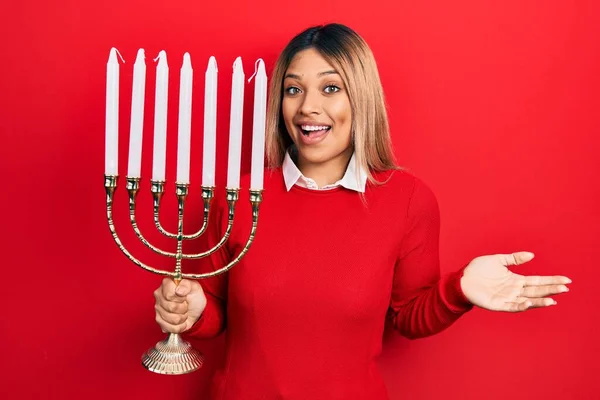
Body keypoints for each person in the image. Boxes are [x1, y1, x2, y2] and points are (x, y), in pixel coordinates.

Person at [153, 23, 572, 399]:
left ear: (361, 97)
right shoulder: (239, 195)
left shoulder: (407, 199)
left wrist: (459, 290)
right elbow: (213, 309)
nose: (307, 108)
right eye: (293, 89)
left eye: (330, 88)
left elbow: (409, 316)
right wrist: (191, 311)